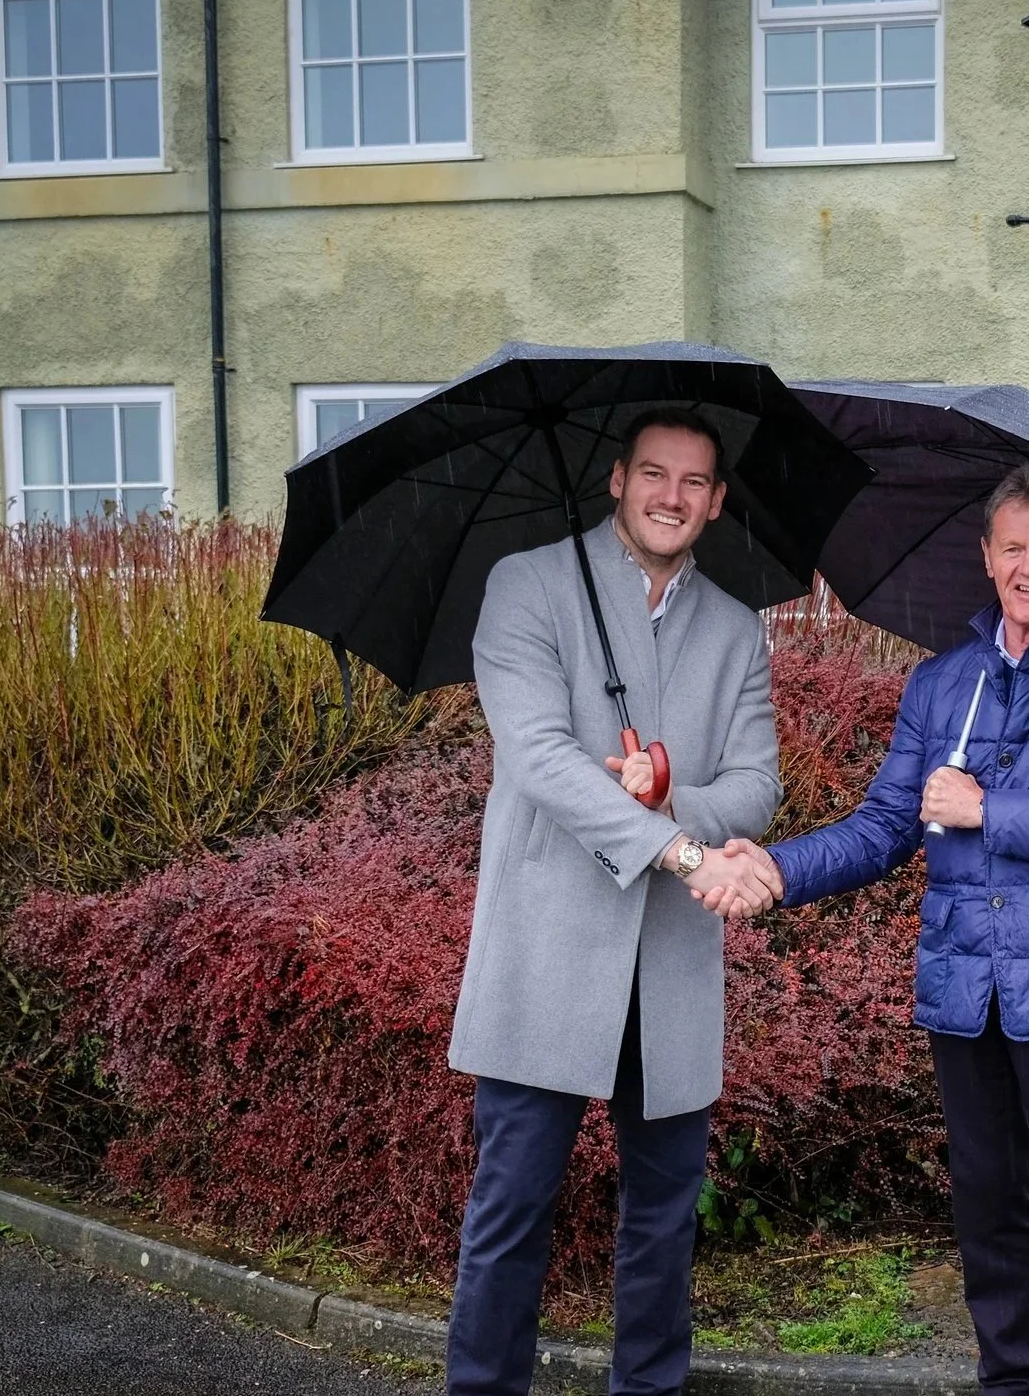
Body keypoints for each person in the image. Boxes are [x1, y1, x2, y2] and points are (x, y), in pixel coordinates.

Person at [712, 458, 1029, 1396]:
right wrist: (775, 869)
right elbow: (886, 828)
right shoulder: (942, 687)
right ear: (985, 556)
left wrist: (989, 808)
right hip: (968, 988)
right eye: (1013, 547)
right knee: (985, 1206)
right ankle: (1008, 1378)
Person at [445, 408, 782, 1396]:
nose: (670, 496)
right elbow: (538, 754)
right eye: (652, 473)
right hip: (546, 947)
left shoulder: (733, 625)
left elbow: (758, 783)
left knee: (664, 1215)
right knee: (511, 1204)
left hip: (668, 961)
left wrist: (671, 788)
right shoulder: (528, 585)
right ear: (616, 480)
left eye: (692, 482)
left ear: (716, 501)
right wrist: (675, 845)